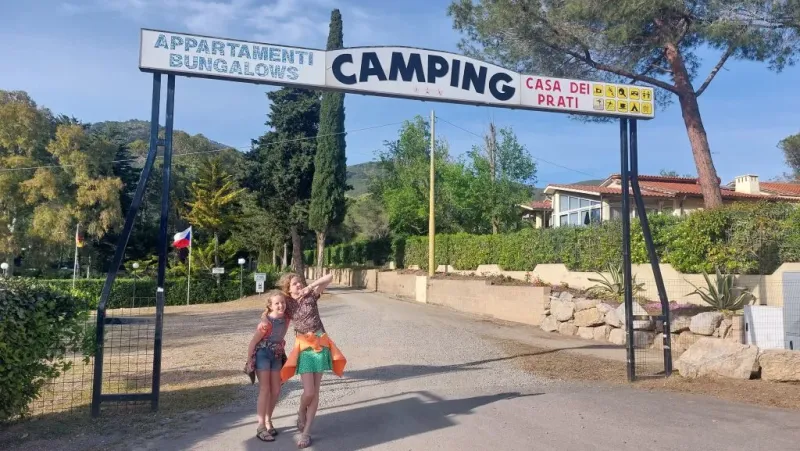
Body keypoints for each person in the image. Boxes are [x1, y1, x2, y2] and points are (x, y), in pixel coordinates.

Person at [279, 272, 346, 449]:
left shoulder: (311, 295)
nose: (298, 285)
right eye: (294, 284)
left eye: (299, 282)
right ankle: (301, 410)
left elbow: (329, 277)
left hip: (320, 344)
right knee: (308, 392)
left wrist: (309, 287)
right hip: (304, 347)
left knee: (315, 392)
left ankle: (306, 432)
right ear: (288, 288)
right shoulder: (287, 303)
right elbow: (273, 310)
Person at [246, 290, 290, 442]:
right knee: (265, 389)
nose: (281, 305)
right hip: (262, 355)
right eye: (277, 303)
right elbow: (253, 342)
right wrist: (249, 361)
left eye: (282, 302)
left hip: (276, 355)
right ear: (270, 306)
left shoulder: (286, 318)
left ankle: (268, 420)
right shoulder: (265, 324)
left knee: (276, 390)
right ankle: (260, 427)